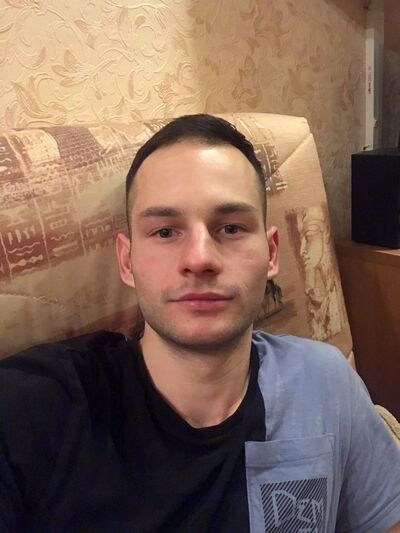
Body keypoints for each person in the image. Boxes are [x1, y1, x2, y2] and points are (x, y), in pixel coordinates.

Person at [0, 114, 399, 532]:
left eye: (231, 227)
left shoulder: (324, 382)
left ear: (271, 253)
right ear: (127, 261)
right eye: (165, 232)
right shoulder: (31, 409)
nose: (200, 258)